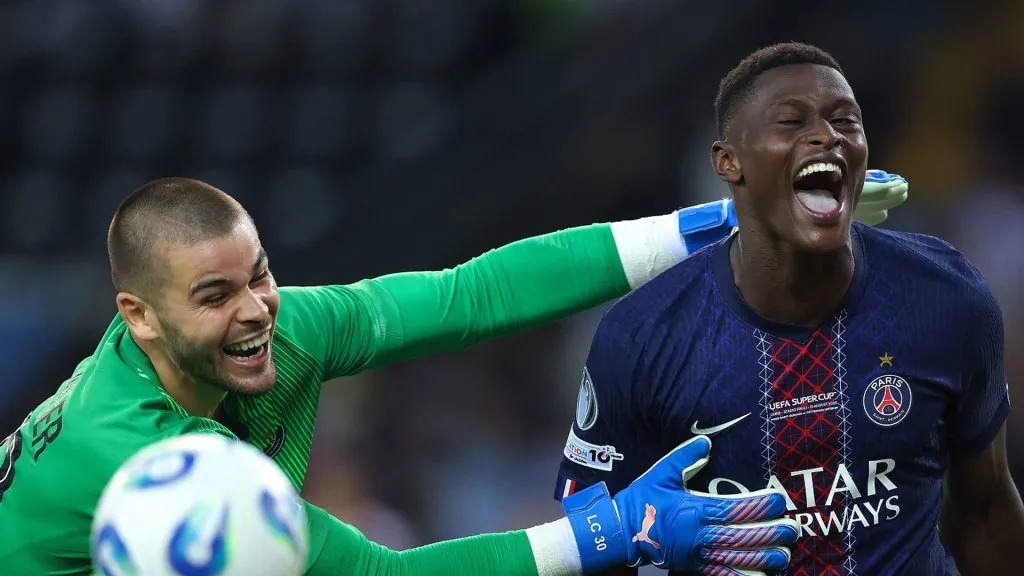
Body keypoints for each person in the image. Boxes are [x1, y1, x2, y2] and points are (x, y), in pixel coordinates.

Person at [0, 172, 903, 575]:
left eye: (261, 273)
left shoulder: (280, 331)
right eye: (214, 295)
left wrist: (726, 223)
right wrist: (609, 533)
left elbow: (470, 294)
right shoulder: (143, 459)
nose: (256, 309)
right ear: (138, 316)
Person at [552, 42, 1024, 575]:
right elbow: (588, 537)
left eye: (846, 121)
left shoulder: (944, 296)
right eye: (791, 121)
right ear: (729, 162)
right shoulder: (642, 336)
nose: (827, 135)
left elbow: (984, 514)